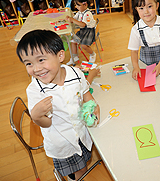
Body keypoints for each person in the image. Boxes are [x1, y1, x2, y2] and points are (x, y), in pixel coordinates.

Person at [16, 29, 100, 180]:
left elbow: (85, 93)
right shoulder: (35, 90)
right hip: (63, 144)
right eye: (28, 63)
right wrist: (36, 116)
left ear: (60, 56)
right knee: (78, 172)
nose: (36, 69)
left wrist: (94, 105)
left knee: (83, 165)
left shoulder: (76, 74)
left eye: (41, 60)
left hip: (82, 134)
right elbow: (47, 123)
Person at [128, 0, 160, 80]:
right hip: (147, 58)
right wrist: (136, 67)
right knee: (149, 82)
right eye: (141, 8)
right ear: (136, 10)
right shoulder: (136, 29)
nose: (146, 12)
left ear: (157, 5)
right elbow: (134, 51)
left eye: (149, 6)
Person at [66, 0, 97, 65]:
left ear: (85, 5)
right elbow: (75, 18)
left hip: (89, 32)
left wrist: (73, 20)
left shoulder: (87, 14)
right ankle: (74, 57)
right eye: (76, 5)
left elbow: (83, 25)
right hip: (83, 31)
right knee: (73, 41)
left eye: (78, 5)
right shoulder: (80, 12)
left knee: (84, 46)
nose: (76, 7)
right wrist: (70, 18)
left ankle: (92, 54)